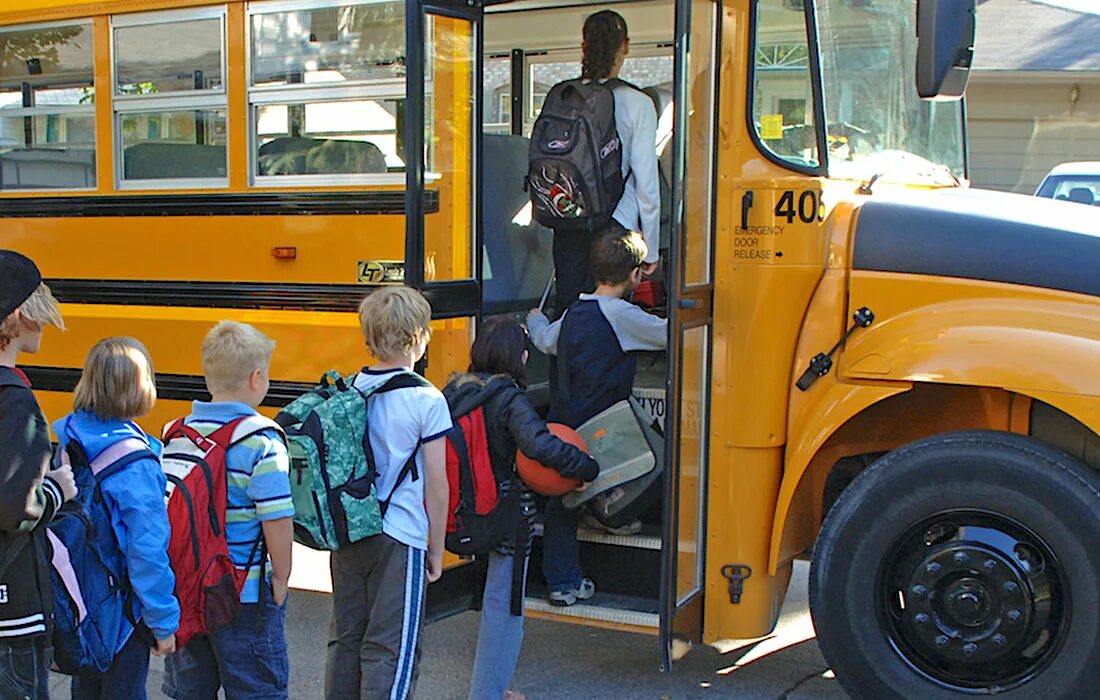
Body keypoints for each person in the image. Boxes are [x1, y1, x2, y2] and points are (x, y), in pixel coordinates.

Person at [444, 317, 599, 700]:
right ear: (520, 357)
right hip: (507, 519)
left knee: (494, 605)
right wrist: (586, 467)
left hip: (460, 513)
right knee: (504, 610)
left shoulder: (452, 390)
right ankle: (489, 693)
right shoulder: (508, 398)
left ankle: (492, 689)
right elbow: (541, 446)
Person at [528, 228, 667, 605]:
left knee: (562, 503)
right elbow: (669, 336)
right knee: (654, 458)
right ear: (636, 275)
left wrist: (535, 319)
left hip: (568, 423)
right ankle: (614, 514)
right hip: (608, 426)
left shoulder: (575, 312)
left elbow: (544, 341)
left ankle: (562, 582)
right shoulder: (623, 315)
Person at [325, 287, 452, 700]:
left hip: (349, 532)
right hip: (401, 535)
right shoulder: (427, 399)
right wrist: (437, 548)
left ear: (370, 338)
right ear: (418, 338)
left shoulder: (347, 390)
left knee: (346, 638)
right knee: (389, 647)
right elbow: (437, 483)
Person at [162, 320, 294, 700]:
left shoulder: (175, 432)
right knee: (256, 688)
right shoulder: (263, 440)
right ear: (257, 378)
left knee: (190, 690)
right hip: (244, 594)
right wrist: (282, 577)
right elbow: (276, 517)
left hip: (188, 587)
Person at [53, 337, 179, 699]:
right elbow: (146, 552)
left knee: (87, 689)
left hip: (79, 605)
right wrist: (162, 621)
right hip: (123, 619)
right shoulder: (134, 463)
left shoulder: (70, 441)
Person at [550, 9, 661, 315]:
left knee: (567, 310)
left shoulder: (564, 95)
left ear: (583, 46)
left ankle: (563, 363)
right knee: (607, 316)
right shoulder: (638, 103)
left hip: (568, 220)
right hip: (615, 225)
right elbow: (646, 182)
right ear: (624, 46)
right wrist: (649, 245)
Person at [0, 251, 76, 699]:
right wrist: (56, 490)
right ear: (17, 316)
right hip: (9, 615)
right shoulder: (14, 401)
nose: (47, 321)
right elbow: (17, 506)